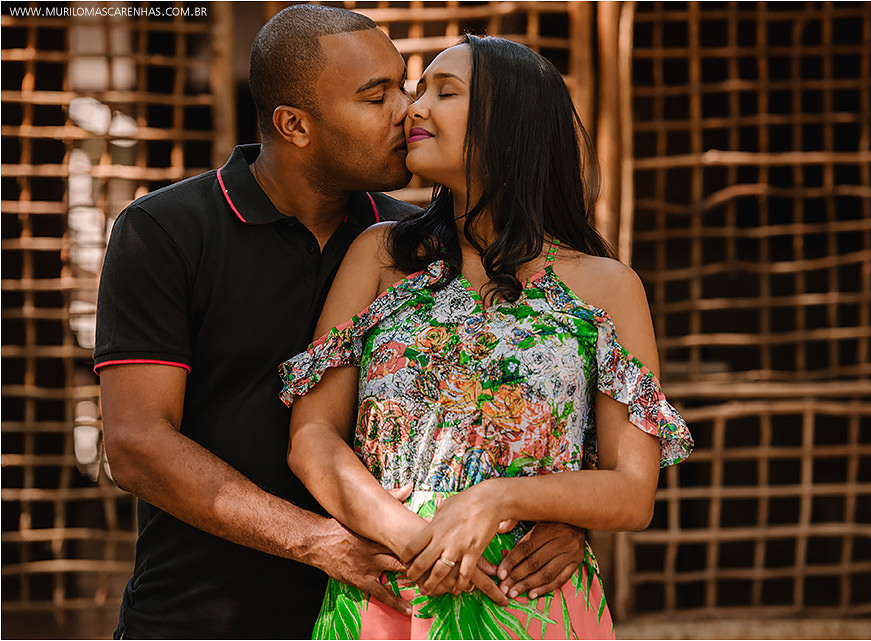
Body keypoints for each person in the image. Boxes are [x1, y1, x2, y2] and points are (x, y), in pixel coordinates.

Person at [94, 6, 585, 638]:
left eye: (405, 86)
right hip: (200, 611)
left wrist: (564, 518)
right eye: (376, 96)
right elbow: (136, 446)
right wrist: (316, 541)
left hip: (383, 614)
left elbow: (520, 397)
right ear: (294, 124)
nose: (407, 110)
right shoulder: (166, 231)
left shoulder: (407, 246)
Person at [281, 34, 694, 639]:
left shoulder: (607, 287)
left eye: (443, 93)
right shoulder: (379, 255)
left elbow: (633, 491)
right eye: (418, 91)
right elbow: (311, 436)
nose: (413, 109)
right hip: (392, 593)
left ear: (511, 126)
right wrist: (410, 538)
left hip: (530, 600)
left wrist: (501, 499)